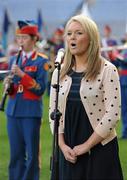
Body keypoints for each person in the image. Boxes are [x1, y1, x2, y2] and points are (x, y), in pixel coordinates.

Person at [49, 15, 123, 180]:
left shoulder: (107, 70)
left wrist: (86, 146)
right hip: (67, 149)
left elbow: (112, 115)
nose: (72, 38)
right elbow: (53, 112)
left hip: (100, 149)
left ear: (91, 38)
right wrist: (61, 144)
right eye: (69, 34)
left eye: (78, 33)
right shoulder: (58, 72)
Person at [4, 20, 49, 180]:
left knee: (32, 155)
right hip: (13, 111)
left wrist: (23, 75)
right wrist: (7, 85)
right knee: (16, 154)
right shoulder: (12, 60)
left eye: (24, 37)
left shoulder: (42, 61)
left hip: (30, 112)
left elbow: (40, 89)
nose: (20, 41)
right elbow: (14, 89)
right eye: (18, 37)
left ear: (34, 39)